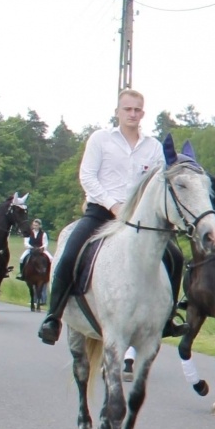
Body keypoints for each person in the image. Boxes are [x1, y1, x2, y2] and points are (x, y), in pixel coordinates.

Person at [38, 89, 185, 345]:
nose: (132, 114)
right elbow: (87, 177)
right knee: (71, 252)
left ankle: (167, 318)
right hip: (101, 213)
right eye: (127, 109)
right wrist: (113, 205)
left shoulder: (153, 147)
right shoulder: (101, 139)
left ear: (143, 113)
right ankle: (53, 316)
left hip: (140, 221)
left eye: (137, 110)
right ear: (117, 112)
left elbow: (161, 184)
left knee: (175, 256)